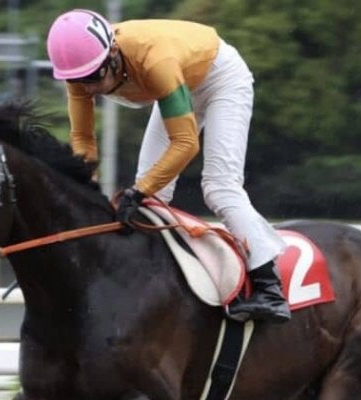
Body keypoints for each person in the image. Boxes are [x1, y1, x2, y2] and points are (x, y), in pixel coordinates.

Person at [46, 9, 290, 323]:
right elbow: (83, 138)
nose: (88, 88)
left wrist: (138, 191)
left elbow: (186, 144)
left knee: (219, 187)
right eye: (78, 80)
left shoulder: (154, 60)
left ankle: (269, 287)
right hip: (176, 85)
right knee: (152, 200)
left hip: (220, 80)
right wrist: (85, 189)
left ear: (113, 52)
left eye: (93, 77)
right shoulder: (80, 70)